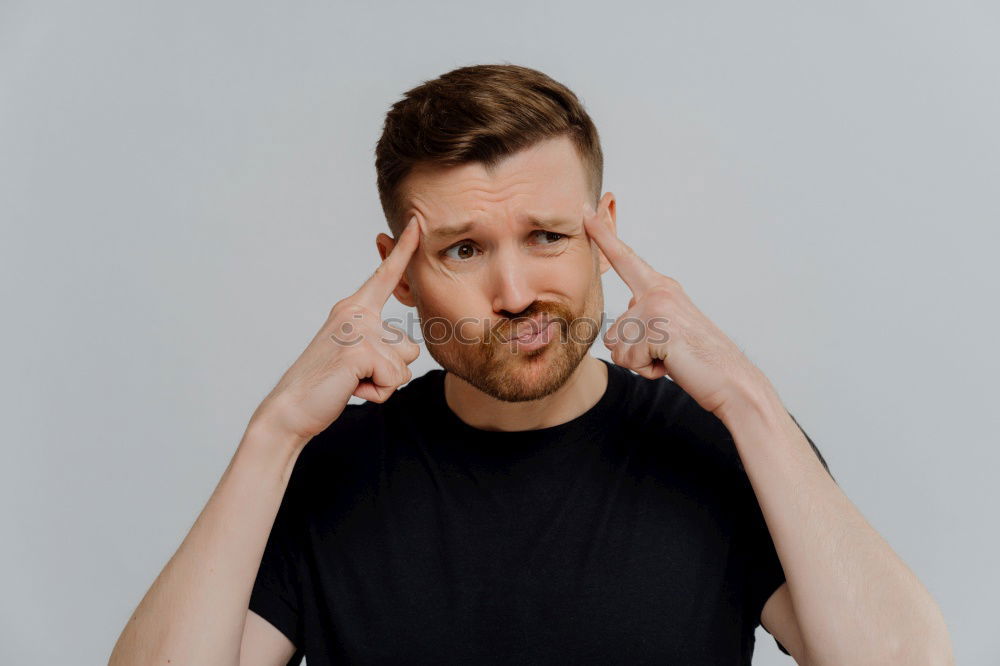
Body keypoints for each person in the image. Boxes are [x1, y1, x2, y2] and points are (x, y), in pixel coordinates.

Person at [109, 64, 953, 665]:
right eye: (465, 249)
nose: (515, 292)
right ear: (399, 270)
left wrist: (746, 398)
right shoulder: (328, 469)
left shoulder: (724, 445)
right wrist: (273, 432)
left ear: (603, 229)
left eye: (547, 236)